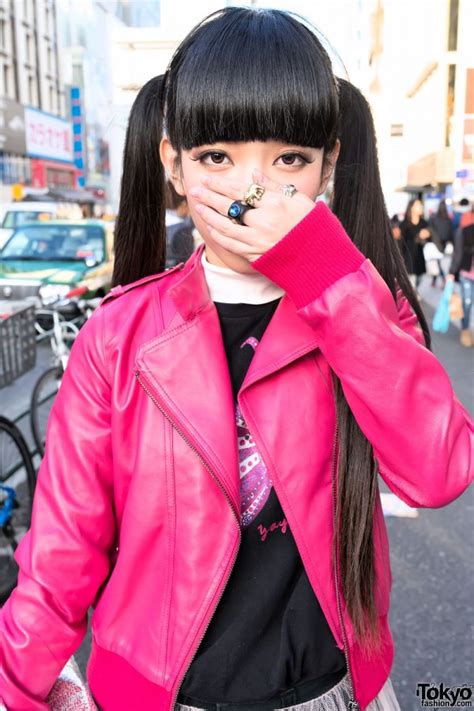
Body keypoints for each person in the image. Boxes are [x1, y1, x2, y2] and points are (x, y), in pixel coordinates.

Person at [1, 8, 472, 711]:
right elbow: (62, 547)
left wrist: (324, 271)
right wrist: (23, 685)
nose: (252, 194)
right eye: (218, 156)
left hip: (334, 689)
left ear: (327, 164)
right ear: (174, 163)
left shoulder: (360, 303)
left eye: (289, 160)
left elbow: (437, 470)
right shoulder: (118, 334)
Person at [447, 219, 474, 347]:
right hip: (467, 273)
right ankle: (465, 330)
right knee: (467, 303)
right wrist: (452, 271)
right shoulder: (464, 231)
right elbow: (458, 253)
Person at [400, 198, 432, 289]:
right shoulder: (404, 224)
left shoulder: (424, 223)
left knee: (420, 279)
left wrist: (428, 235)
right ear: (412, 208)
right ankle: (413, 299)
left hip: (420, 258)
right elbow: (400, 243)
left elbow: (431, 238)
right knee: (412, 283)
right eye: (418, 205)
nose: (420, 207)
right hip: (408, 259)